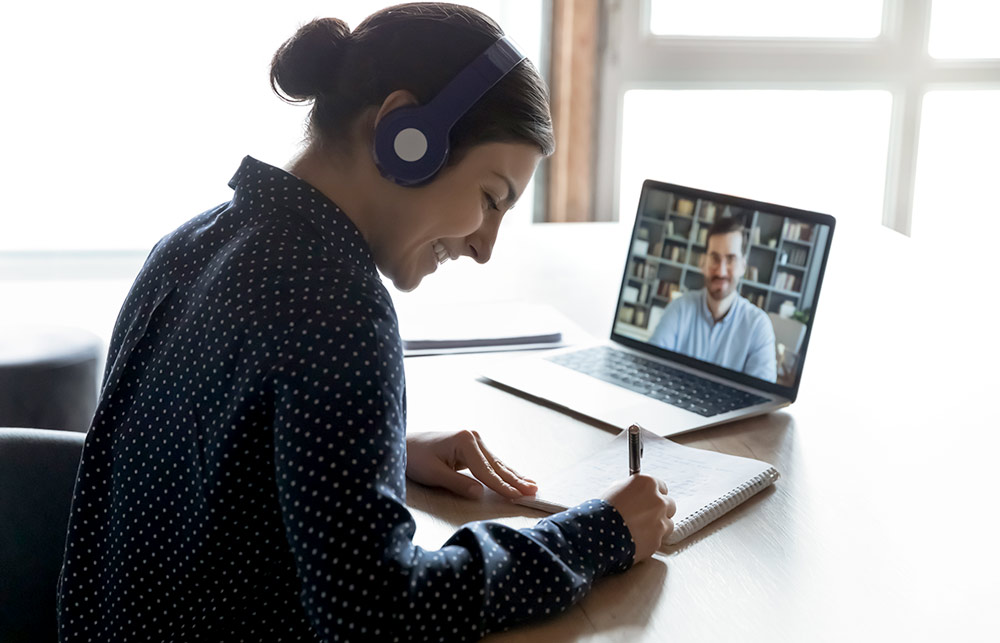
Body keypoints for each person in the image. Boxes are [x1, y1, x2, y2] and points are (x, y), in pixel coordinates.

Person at [57, 4, 676, 641]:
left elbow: (195, 459)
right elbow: (379, 612)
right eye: (491, 199)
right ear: (405, 135)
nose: (485, 246)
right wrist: (591, 537)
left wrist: (359, 462)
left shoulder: (190, 245)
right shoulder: (335, 305)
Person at [649, 216, 777, 382]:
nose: (721, 271)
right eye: (715, 258)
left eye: (730, 259)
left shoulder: (759, 326)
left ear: (743, 267)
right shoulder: (679, 308)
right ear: (703, 263)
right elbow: (650, 368)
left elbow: (761, 400)